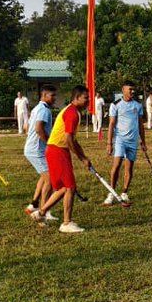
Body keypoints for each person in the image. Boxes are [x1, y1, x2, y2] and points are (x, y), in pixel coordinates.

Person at [31, 85, 94, 233]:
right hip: (57, 151)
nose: (88, 101)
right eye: (86, 98)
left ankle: (41, 213)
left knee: (62, 188)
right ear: (77, 98)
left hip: (57, 151)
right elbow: (68, 139)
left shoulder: (72, 111)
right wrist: (81, 158)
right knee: (70, 187)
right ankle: (66, 223)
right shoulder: (72, 114)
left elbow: (73, 140)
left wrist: (84, 157)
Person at [106, 81, 147, 206]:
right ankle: (111, 193)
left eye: (133, 89)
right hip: (120, 140)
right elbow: (111, 124)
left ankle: (124, 193)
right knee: (117, 165)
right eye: (130, 89)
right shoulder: (116, 104)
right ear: (123, 90)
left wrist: (143, 141)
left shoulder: (138, 105)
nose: (132, 92)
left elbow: (140, 125)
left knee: (129, 167)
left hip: (133, 141)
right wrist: (109, 143)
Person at [23, 84, 58, 222]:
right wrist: (49, 143)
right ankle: (44, 211)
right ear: (44, 95)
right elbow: (38, 129)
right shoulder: (44, 110)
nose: (54, 98)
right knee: (49, 178)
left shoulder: (37, 108)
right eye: (52, 95)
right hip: (36, 149)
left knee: (44, 177)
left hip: (34, 148)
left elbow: (28, 127)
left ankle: (34, 205)